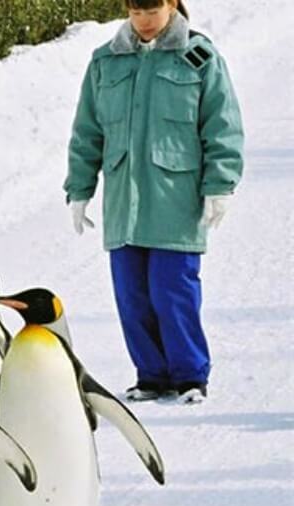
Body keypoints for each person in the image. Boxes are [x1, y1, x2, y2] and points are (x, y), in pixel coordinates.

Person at [64, 0, 244, 404]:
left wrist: (221, 184)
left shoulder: (198, 58)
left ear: (172, 5)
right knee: (131, 293)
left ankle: (189, 375)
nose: (144, 22)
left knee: (172, 290)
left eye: (152, 12)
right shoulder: (105, 62)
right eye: (136, 13)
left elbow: (222, 125)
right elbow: (87, 132)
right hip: (123, 202)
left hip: (175, 201)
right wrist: (79, 189)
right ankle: (151, 375)